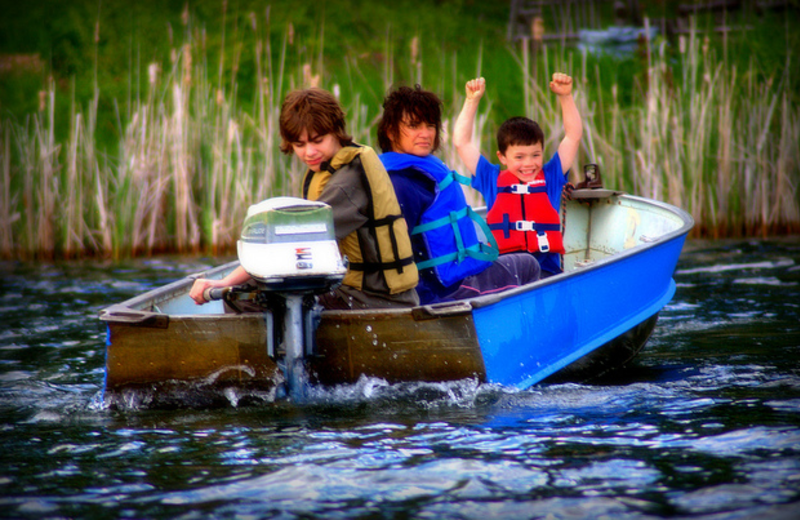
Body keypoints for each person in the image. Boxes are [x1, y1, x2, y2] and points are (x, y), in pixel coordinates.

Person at [190, 88, 419, 310]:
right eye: (300, 145)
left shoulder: (347, 181)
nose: (309, 152)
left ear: (336, 132)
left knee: (238, 295)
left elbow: (292, 243)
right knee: (254, 288)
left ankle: (276, 350)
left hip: (374, 299)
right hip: (355, 290)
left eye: (317, 141)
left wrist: (225, 282)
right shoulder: (329, 168)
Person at [377, 84, 541, 305]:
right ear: (390, 131)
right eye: (414, 126)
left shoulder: (405, 174)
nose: (425, 134)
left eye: (431, 125)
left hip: (448, 281)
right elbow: (393, 252)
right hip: (444, 292)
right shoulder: (402, 185)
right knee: (528, 265)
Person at [453, 73, 582, 277]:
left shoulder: (551, 176)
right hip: (504, 269)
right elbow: (462, 142)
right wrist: (471, 100)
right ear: (502, 157)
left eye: (535, 155)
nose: (529, 164)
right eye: (519, 157)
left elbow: (573, 136)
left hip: (545, 271)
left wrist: (565, 97)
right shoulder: (491, 179)